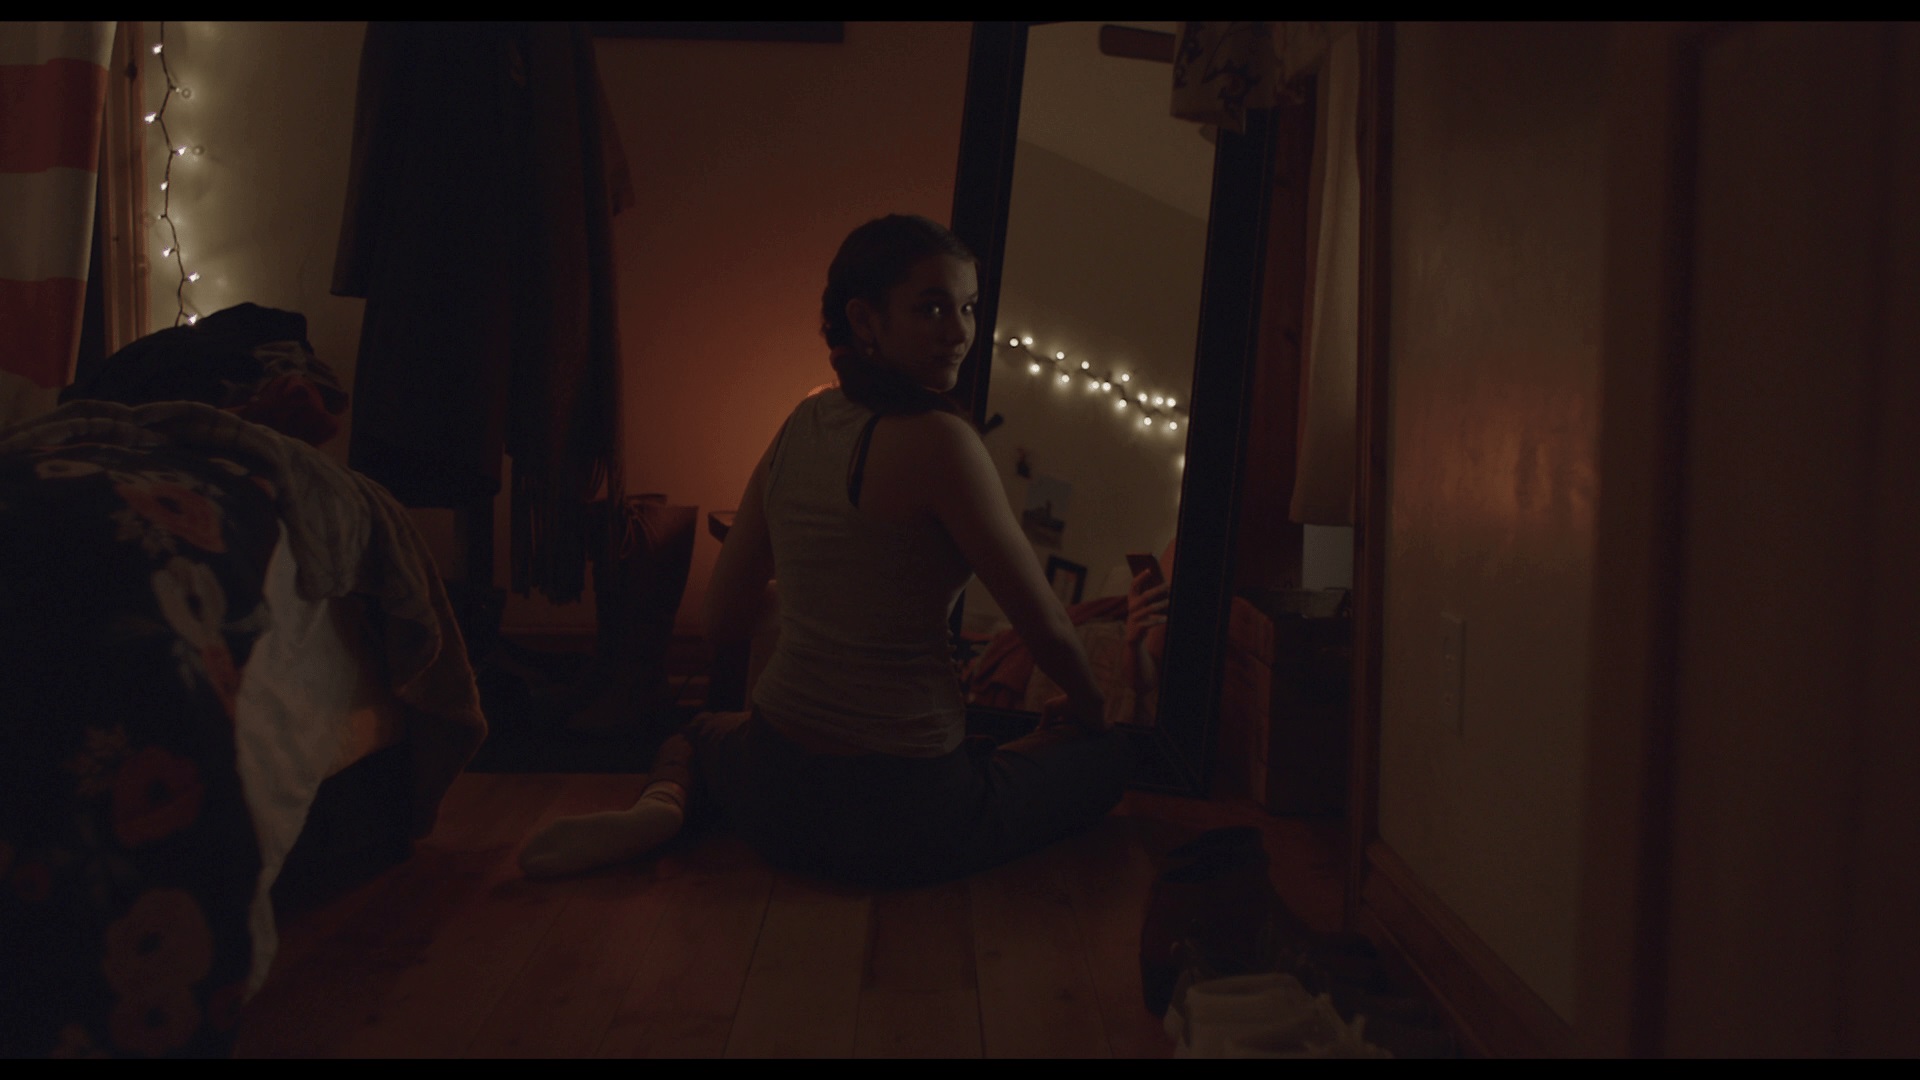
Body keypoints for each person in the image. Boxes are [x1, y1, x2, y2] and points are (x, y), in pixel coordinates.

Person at [516, 214, 1136, 887]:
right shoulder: (944, 442)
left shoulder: (801, 422)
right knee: (1110, 756)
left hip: (775, 787)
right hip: (908, 808)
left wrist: (818, 599)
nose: (959, 331)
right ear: (864, 320)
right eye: (932, 308)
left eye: (967, 307)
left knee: (694, 735)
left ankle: (662, 807)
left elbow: (721, 621)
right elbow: (1044, 624)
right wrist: (1090, 711)